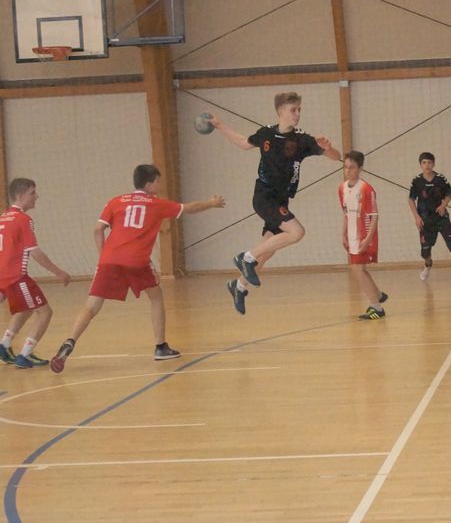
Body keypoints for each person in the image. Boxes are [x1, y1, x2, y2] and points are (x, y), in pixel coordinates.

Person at [49, 165, 225, 373]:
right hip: (137, 260)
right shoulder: (156, 204)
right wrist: (212, 203)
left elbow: (97, 230)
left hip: (108, 260)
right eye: (158, 181)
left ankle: (69, 341)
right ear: (149, 184)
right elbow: (189, 208)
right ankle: (160, 347)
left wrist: (103, 256)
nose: (159, 185)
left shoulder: (116, 201)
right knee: (156, 297)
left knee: (92, 306)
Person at [205, 92, 341, 315]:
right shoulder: (266, 133)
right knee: (297, 232)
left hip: (281, 199)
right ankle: (245, 257)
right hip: (264, 196)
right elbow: (243, 143)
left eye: (299, 110)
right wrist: (220, 126)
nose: (297, 114)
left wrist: (327, 147)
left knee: (268, 249)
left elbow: (336, 157)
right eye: (293, 110)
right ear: (280, 111)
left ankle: (238, 286)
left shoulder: (302, 139)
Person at [0, 179, 71, 368]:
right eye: (32, 193)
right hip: (17, 277)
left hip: (4, 277)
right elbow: (36, 253)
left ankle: (4, 345)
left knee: (26, 308)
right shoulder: (23, 220)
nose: (36, 196)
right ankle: (25, 355)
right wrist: (59, 272)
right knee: (45, 312)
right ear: (20, 195)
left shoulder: (3, 217)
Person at [339, 151, 387, 320]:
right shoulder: (342, 188)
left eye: (352, 167)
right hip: (352, 235)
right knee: (358, 269)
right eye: (346, 167)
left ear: (360, 168)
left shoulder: (366, 189)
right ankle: (378, 295)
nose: (348, 170)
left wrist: (368, 239)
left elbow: (374, 216)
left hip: (365, 234)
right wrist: (343, 233)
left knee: (357, 269)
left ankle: (377, 308)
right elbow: (346, 213)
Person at [408, 152, 451, 283]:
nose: (427, 165)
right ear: (420, 165)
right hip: (425, 221)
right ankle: (427, 265)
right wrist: (416, 217)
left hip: (441, 219)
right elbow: (411, 199)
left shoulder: (440, 179)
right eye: (424, 163)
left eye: (429, 162)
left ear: (433, 164)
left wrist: (443, 205)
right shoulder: (417, 181)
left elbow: (449, 194)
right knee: (425, 252)